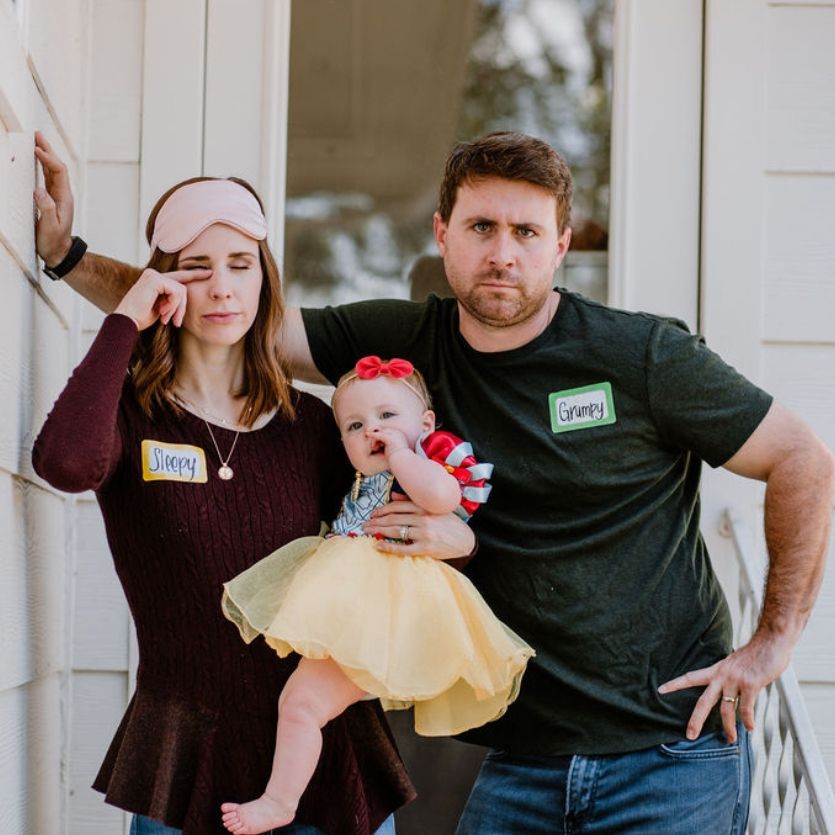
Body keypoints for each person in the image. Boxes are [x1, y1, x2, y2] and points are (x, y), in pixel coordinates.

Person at [35, 130, 834, 833]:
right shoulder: (403, 341)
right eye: (481, 226)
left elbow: (801, 458)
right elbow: (230, 307)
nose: (502, 252)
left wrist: (770, 644)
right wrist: (70, 258)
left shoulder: (640, 356)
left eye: (526, 230)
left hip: (667, 752)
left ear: (560, 245)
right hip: (522, 757)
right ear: (442, 233)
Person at [31, 169, 476, 835]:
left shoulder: (312, 424)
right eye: (194, 267)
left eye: (240, 263)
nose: (220, 286)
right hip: (185, 757)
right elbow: (66, 462)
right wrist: (126, 318)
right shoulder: (134, 417)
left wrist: (460, 541)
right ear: (162, 282)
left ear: (263, 277)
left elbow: (389, 536)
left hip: (324, 758)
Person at [219, 356, 533, 834]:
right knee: (302, 705)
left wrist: (407, 455)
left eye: (388, 417)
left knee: (300, 705)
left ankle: (279, 801)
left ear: (425, 424)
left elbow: (443, 498)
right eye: (355, 424)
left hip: (389, 607)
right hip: (359, 600)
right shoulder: (364, 476)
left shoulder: (421, 465)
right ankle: (282, 799)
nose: (373, 431)